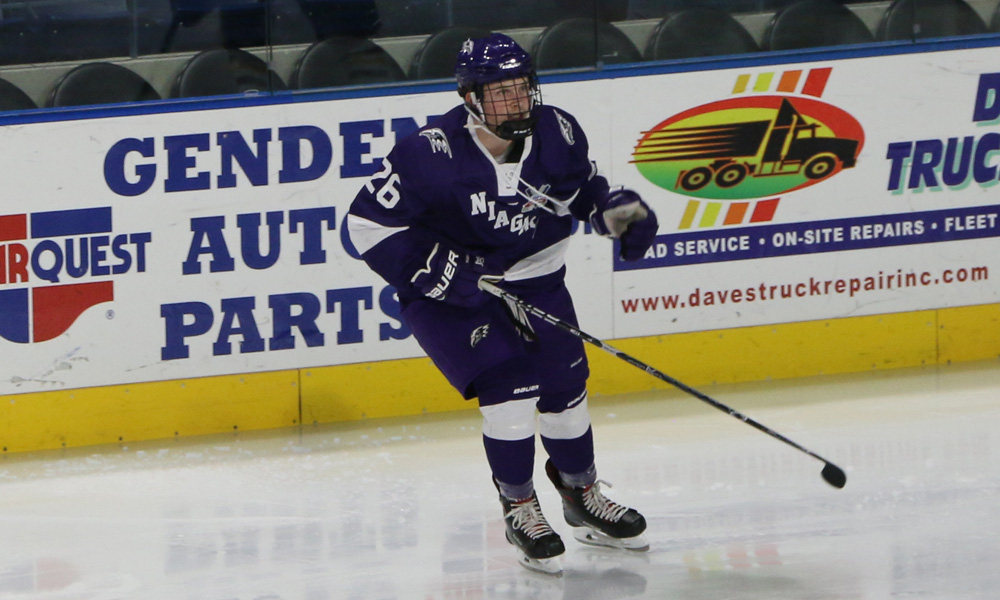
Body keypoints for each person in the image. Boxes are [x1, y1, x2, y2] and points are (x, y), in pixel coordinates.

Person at [347, 33, 658, 574]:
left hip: (537, 281)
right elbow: (366, 225)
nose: (516, 102)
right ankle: (519, 506)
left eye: (522, 89)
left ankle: (581, 497)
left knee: (565, 388)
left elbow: (579, 190)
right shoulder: (429, 152)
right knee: (510, 388)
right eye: (500, 93)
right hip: (453, 296)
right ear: (470, 98)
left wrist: (612, 210)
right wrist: (434, 271)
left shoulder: (557, 131)